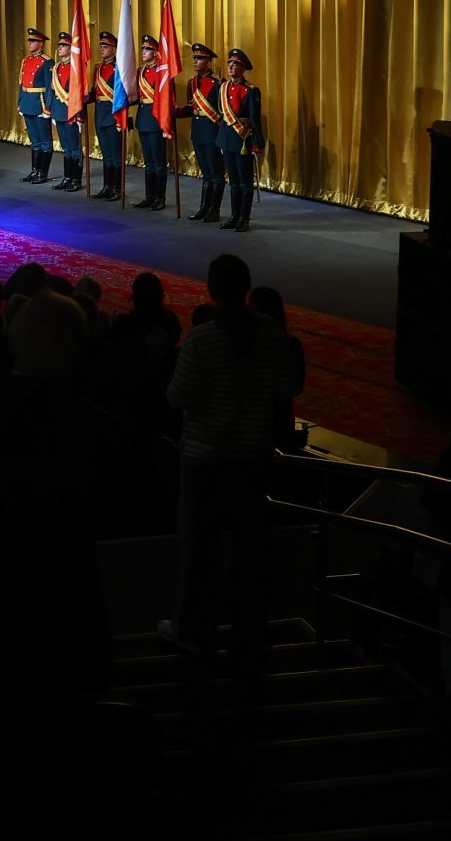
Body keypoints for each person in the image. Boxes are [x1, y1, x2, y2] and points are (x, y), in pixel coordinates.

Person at [159, 252, 301, 666]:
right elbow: (289, 386)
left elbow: (176, 398)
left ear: (211, 290)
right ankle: (248, 632)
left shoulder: (202, 339)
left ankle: (193, 630)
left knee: (198, 548)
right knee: (249, 550)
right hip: (253, 457)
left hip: (204, 458)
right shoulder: (270, 332)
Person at [217, 47, 266, 233]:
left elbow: (255, 119)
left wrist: (258, 143)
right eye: (229, 63)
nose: (230, 66)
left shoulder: (250, 91)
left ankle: (244, 218)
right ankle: (234, 216)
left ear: (243, 68)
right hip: (227, 139)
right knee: (234, 182)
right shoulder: (223, 88)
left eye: (235, 64)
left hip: (242, 140)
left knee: (245, 183)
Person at [178, 42, 225, 223]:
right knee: (206, 173)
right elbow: (192, 108)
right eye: (194, 58)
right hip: (198, 133)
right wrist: (175, 112)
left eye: (199, 58)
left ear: (208, 62)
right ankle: (204, 208)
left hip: (212, 132)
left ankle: (214, 210)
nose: (195, 61)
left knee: (216, 173)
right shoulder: (192, 83)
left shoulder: (218, 84)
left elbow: (222, 112)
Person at [132, 34, 170, 210]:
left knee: (158, 162)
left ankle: (160, 197)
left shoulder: (162, 72)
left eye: (147, 49)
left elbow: (168, 98)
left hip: (156, 121)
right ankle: (149, 196)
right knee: (148, 162)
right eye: (143, 48)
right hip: (143, 119)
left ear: (156, 52)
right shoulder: (140, 71)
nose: (143, 52)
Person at [87, 30, 124, 201]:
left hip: (114, 115)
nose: (101, 49)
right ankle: (107, 186)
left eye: (106, 46)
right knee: (106, 154)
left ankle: (117, 187)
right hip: (100, 114)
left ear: (114, 49)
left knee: (116, 155)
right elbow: (95, 92)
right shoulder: (98, 68)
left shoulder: (120, 68)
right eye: (101, 46)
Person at [47, 30, 84, 192]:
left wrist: (80, 115)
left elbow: (80, 92)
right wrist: (51, 110)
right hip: (59, 112)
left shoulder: (76, 68)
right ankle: (67, 177)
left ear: (71, 48)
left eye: (64, 45)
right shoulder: (56, 67)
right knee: (66, 147)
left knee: (75, 148)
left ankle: (76, 179)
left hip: (71, 113)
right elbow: (52, 90)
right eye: (59, 45)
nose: (60, 48)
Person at [17, 26, 53, 184]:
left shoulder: (47, 62)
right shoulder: (26, 60)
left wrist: (48, 107)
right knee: (34, 140)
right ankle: (34, 171)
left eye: (33, 41)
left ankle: (42, 173)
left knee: (45, 141)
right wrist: (20, 101)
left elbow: (50, 87)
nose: (29, 43)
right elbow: (21, 84)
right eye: (29, 40)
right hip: (27, 102)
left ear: (41, 43)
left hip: (40, 103)